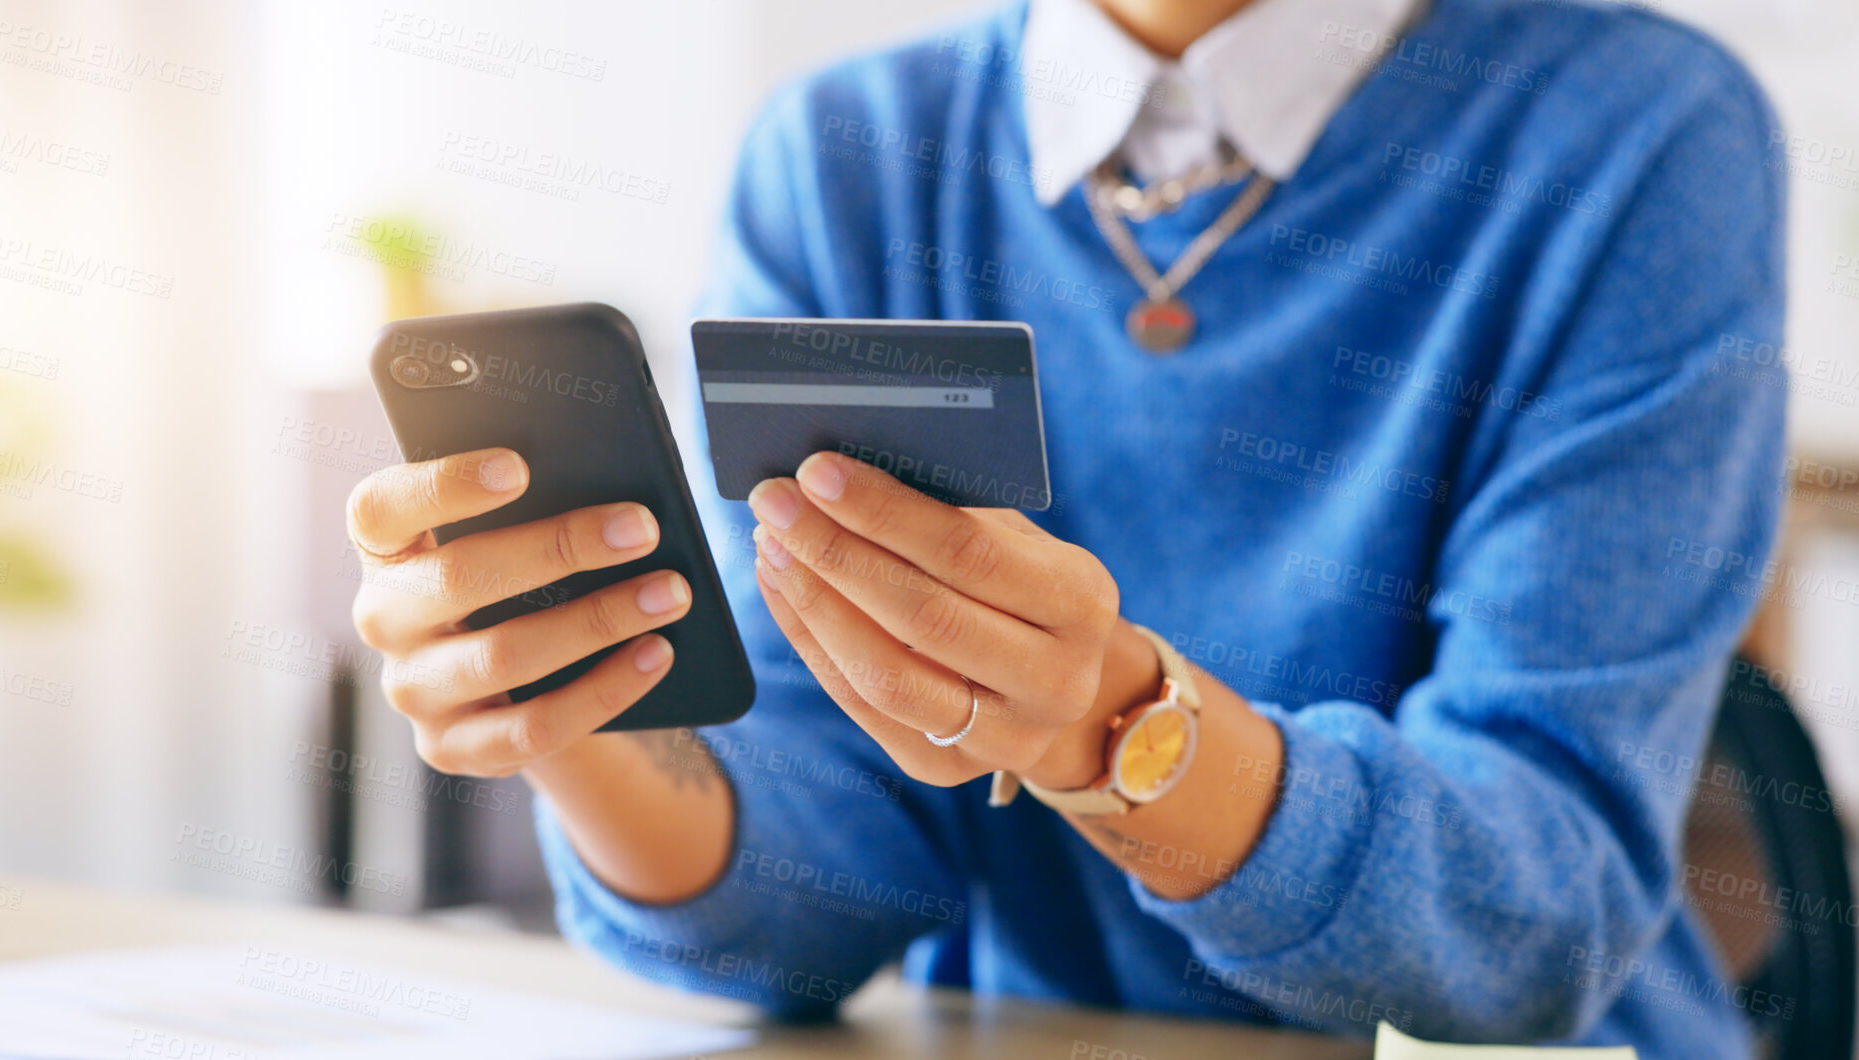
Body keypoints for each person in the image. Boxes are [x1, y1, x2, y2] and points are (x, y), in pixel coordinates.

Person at [345, 0, 1787, 1054]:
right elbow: (816, 893)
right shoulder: (846, 150)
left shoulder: (1635, 134)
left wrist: (1108, 730)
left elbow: (1530, 923)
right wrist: (583, 715)